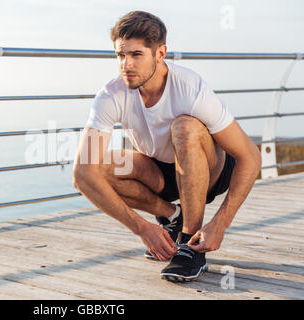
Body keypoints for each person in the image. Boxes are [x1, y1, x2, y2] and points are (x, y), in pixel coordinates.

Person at [72, 11, 261, 282]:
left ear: (160, 53)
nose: (126, 64)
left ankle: (189, 244)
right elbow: (82, 175)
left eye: (136, 55)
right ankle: (172, 216)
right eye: (120, 55)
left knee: (184, 127)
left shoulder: (191, 88)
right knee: (97, 168)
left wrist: (220, 223)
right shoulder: (111, 94)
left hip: (211, 171)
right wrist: (142, 228)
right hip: (161, 172)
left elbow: (250, 156)